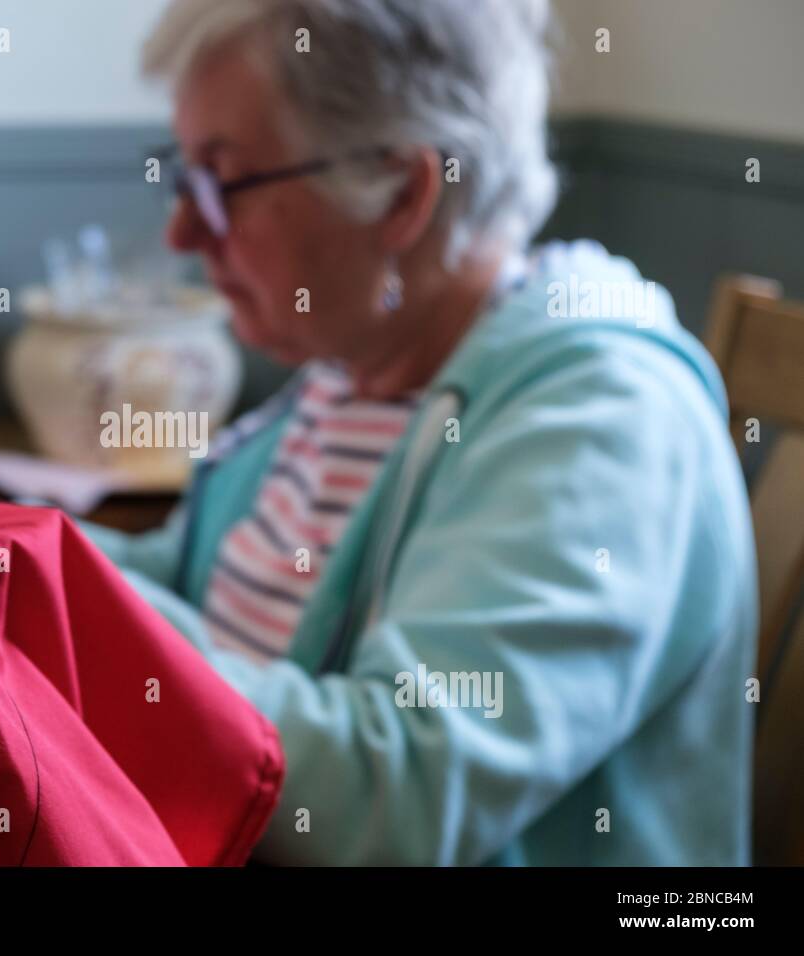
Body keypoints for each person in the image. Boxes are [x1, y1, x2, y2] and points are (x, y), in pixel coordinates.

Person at [77, 0, 757, 865]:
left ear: (403, 192)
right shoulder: (354, 374)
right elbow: (183, 580)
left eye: (222, 183)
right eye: (185, 178)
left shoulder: (605, 422)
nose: (183, 231)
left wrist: (79, 614)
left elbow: (395, 796)